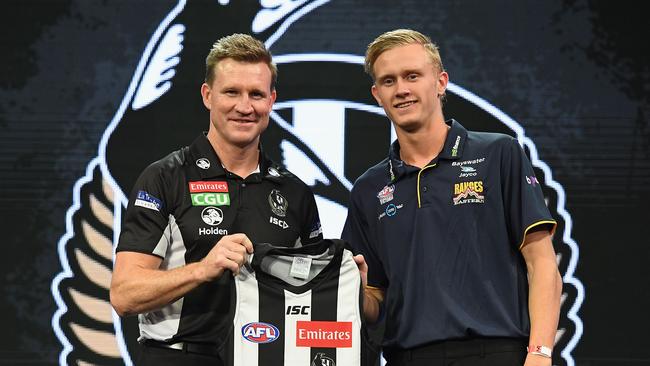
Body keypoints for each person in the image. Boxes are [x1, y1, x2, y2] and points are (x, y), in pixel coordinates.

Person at [342, 29, 562, 366]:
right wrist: (353, 291)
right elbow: (375, 297)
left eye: (412, 76)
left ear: (441, 82)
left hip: (497, 352)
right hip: (407, 357)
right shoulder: (368, 188)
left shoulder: (499, 154)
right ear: (376, 94)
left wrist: (541, 353)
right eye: (388, 81)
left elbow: (542, 263)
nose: (401, 89)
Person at [110, 33, 323, 366]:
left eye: (256, 94)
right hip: (179, 357)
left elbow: (310, 296)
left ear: (272, 100)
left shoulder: (295, 193)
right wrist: (202, 270)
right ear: (208, 96)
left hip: (268, 357)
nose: (244, 106)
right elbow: (124, 294)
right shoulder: (165, 178)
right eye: (231, 92)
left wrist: (349, 282)